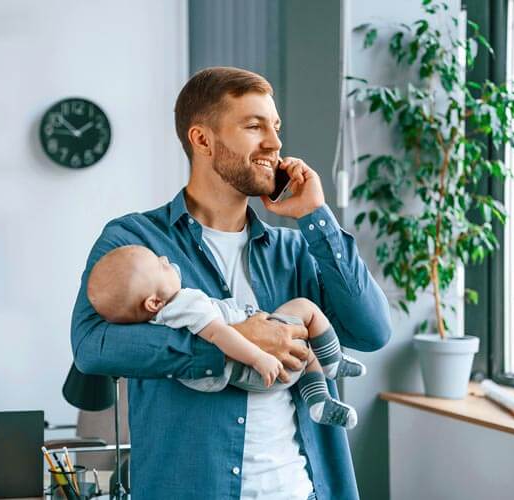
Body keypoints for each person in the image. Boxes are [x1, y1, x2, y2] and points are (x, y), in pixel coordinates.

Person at [71, 66, 392, 499]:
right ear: (202, 139)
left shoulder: (294, 249)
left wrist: (318, 218)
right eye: (254, 125)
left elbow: (372, 331)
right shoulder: (135, 241)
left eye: (275, 127)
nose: (275, 143)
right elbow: (93, 347)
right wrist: (227, 343)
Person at [86, 244, 368, 429]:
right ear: (153, 303)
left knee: (304, 353)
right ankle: (332, 362)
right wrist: (259, 357)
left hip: (245, 376)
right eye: (160, 266)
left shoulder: (159, 321)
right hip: (261, 369)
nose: (164, 258)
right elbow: (220, 334)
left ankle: (319, 404)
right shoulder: (186, 305)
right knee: (305, 310)